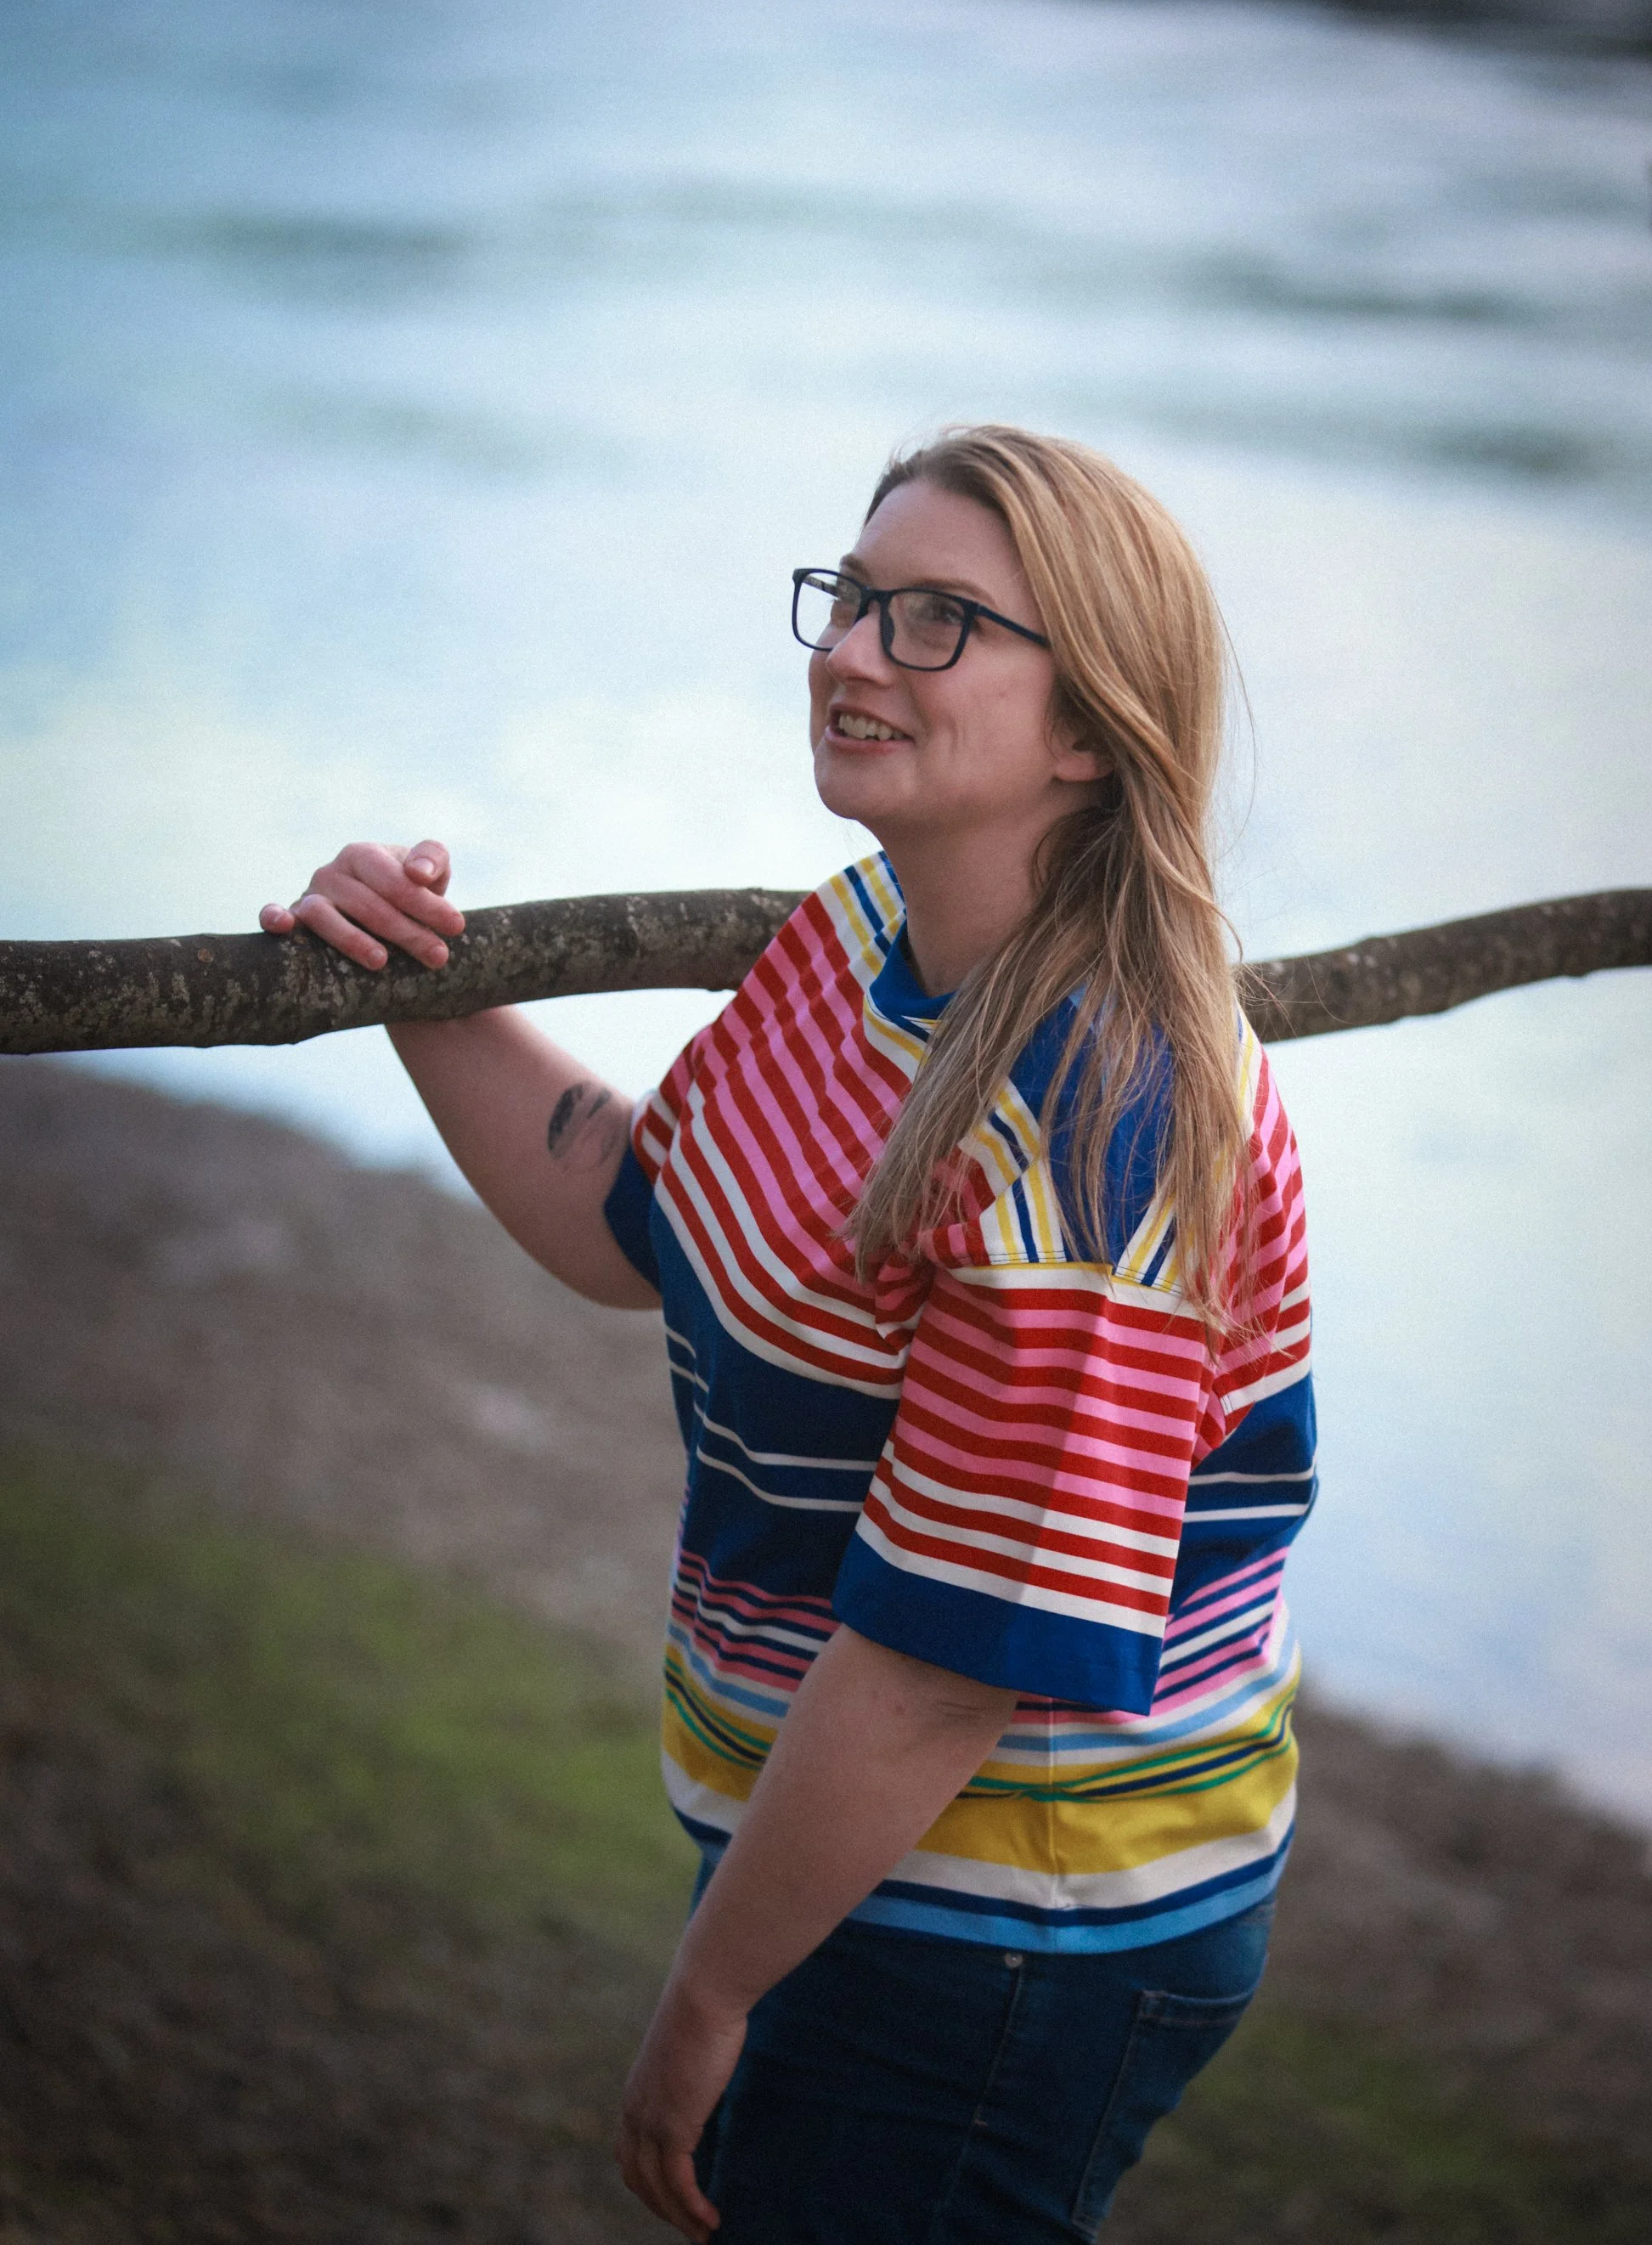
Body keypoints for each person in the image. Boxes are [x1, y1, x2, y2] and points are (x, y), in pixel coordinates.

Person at [259, 426, 1314, 2245]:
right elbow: (637, 1214)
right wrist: (411, 985)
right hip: (858, 1868)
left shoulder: (1099, 1115)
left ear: (1087, 725)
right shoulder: (874, 937)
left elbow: (939, 1664)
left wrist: (713, 1987)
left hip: (1011, 1924)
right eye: (852, 599)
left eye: (937, 623)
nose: (849, 652)